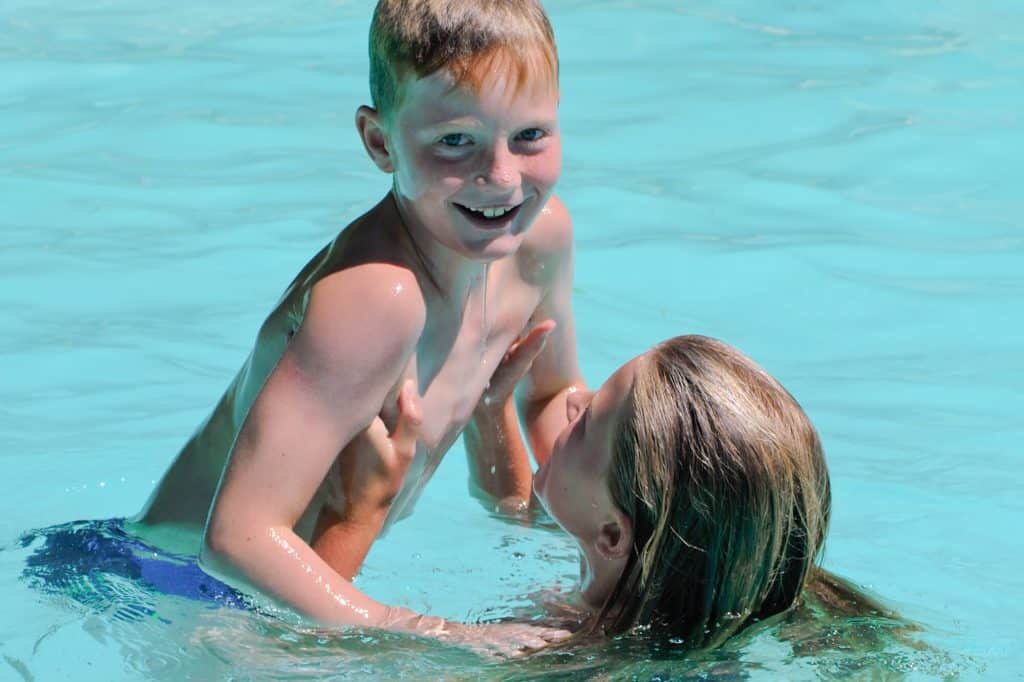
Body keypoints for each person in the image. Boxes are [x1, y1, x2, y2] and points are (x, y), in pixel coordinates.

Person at [121, 0, 581, 648]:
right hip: (172, 592)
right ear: (379, 142)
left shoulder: (540, 239)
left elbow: (553, 395)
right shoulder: (378, 297)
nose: (502, 177)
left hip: (293, 590)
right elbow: (240, 537)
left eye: (530, 136)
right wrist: (438, 631)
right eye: (456, 141)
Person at [342, 333, 846, 648]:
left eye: (586, 421)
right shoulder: (651, 591)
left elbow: (315, 642)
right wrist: (490, 411)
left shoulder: (548, 654)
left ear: (612, 536)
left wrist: (365, 506)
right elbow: (515, 511)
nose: (572, 400)